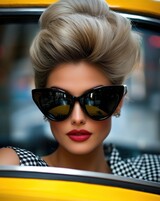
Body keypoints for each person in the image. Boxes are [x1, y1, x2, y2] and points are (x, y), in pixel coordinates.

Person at [0, 0, 159, 182]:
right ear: (43, 105)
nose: (77, 118)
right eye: (59, 100)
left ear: (118, 102)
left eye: (96, 99)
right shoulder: (16, 166)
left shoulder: (150, 173)